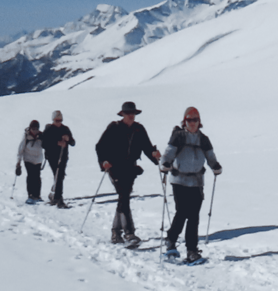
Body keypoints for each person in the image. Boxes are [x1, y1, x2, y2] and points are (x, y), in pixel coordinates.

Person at [160, 106, 222, 262]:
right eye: (189, 120)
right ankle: (171, 239)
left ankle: (191, 250)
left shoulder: (204, 139)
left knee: (194, 216)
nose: (192, 123)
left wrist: (215, 166)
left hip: (196, 182)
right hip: (179, 181)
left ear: (199, 121)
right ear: (184, 121)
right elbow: (168, 153)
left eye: (195, 120)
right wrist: (165, 163)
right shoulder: (178, 136)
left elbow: (210, 156)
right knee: (182, 212)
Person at [95, 101, 161, 245]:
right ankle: (129, 233)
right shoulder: (114, 127)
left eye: (133, 113)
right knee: (124, 196)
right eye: (128, 113)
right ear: (123, 114)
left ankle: (116, 232)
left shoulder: (139, 129)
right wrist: (103, 161)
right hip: (115, 167)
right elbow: (100, 146)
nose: (131, 115)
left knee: (123, 198)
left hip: (131, 168)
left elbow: (147, 147)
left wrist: (155, 156)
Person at [41, 110, 76, 207]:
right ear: (53, 120)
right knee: (58, 175)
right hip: (52, 156)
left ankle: (55, 194)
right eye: (57, 120)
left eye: (60, 120)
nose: (58, 122)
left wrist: (68, 139)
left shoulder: (65, 129)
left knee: (60, 176)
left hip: (63, 156)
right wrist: (57, 143)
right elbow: (44, 144)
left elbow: (73, 142)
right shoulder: (49, 129)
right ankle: (58, 197)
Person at [16, 120, 45, 202]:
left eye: (36, 129)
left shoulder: (41, 136)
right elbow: (21, 149)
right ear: (30, 128)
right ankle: (31, 195)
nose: (35, 131)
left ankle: (37, 195)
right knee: (31, 176)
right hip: (28, 159)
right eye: (33, 129)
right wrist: (18, 162)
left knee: (37, 177)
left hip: (38, 159)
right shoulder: (26, 136)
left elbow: (46, 145)